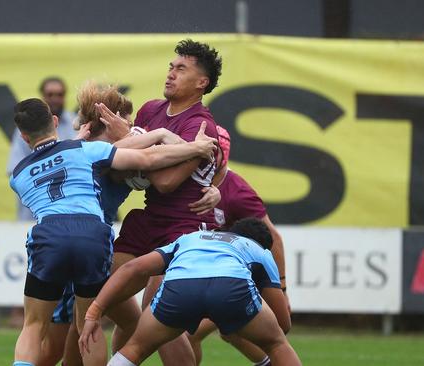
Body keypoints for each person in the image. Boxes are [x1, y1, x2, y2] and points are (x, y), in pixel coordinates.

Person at [9, 97, 216, 366]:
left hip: (50, 234)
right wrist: (193, 147)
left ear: (24, 137)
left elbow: (55, 157)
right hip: (91, 234)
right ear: (56, 122)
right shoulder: (87, 150)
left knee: (35, 326)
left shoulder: (19, 175)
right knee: (87, 324)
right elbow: (146, 158)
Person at [112, 38, 223, 365]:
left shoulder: (201, 126)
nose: (171, 74)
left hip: (185, 227)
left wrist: (136, 149)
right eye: (171, 67)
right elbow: (118, 162)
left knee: (158, 316)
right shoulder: (150, 110)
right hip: (148, 219)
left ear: (201, 83)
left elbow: (165, 182)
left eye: (181, 69)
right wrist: (137, 148)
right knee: (95, 290)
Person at [79, 218, 302, 366]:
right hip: (231, 287)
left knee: (135, 348)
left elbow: (131, 268)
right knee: (277, 344)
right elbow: (283, 324)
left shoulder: (189, 238)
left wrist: (94, 312)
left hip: (179, 287)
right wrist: (243, 321)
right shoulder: (260, 251)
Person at [187, 126, 291, 366]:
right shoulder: (190, 182)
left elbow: (272, 237)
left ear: (222, 155)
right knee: (229, 332)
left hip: (234, 275)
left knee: (188, 334)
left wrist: (282, 288)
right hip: (209, 271)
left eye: (210, 155)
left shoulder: (237, 193)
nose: (203, 160)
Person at [6, 76, 77, 221]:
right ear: (42, 96)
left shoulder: (75, 124)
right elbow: (14, 171)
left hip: (70, 214)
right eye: (50, 94)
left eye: (59, 94)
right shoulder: (26, 127)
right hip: (34, 218)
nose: (55, 99)